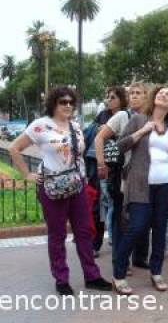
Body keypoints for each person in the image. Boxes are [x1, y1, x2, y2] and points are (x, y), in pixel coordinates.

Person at [9, 87, 112, 296]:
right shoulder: (41, 126)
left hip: (77, 185)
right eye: (62, 102)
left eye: (70, 102)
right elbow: (14, 148)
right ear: (53, 104)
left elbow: (79, 154)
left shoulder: (75, 126)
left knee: (84, 232)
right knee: (57, 235)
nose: (67, 105)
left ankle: (92, 276)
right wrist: (27, 175)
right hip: (52, 188)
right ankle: (61, 279)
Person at [112, 86, 168, 294]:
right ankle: (118, 273)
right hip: (141, 185)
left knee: (161, 229)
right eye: (161, 92)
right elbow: (119, 146)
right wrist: (143, 131)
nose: (164, 94)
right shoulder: (138, 120)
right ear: (154, 97)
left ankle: (157, 271)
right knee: (137, 227)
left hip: (166, 185)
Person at [94, 83, 150, 271]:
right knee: (121, 219)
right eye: (132, 93)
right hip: (123, 176)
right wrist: (101, 164)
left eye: (139, 93)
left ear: (146, 96)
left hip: (146, 176)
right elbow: (99, 138)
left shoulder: (151, 118)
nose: (134, 96)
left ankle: (140, 257)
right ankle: (121, 260)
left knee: (143, 219)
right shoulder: (122, 116)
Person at [89, 86, 128, 257]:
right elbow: (97, 135)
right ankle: (95, 244)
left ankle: (115, 238)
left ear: (121, 99)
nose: (108, 100)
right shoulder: (102, 115)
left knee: (115, 204)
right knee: (99, 203)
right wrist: (100, 164)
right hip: (102, 163)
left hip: (118, 166)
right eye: (107, 97)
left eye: (113, 97)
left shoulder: (127, 115)